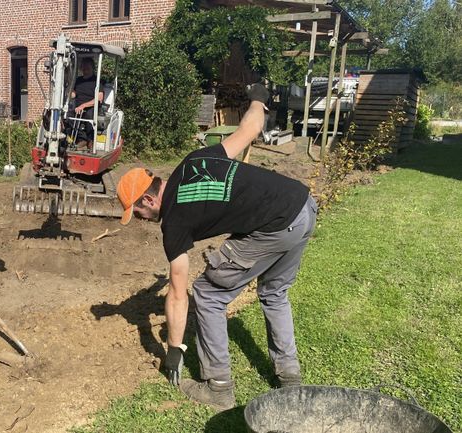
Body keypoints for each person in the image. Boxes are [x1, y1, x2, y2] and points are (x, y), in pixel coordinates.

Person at [115, 84, 318, 412]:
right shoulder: (193, 162)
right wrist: (258, 97)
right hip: (303, 206)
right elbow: (251, 127)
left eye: (137, 211)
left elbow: (178, 294)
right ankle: (289, 379)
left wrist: (173, 350)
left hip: (277, 224)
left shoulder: (175, 222)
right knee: (274, 293)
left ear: (149, 199)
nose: (139, 218)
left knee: (208, 294)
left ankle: (218, 387)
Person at [69, 58, 104, 148]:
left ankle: (90, 140)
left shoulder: (97, 81)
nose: (85, 69)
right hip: (78, 106)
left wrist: (83, 106)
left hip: (92, 106)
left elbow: (99, 98)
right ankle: (81, 139)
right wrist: (68, 93)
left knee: (89, 115)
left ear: (92, 67)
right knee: (67, 115)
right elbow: (73, 94)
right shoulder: (78, 80)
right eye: (83, 67)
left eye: (87, 66)